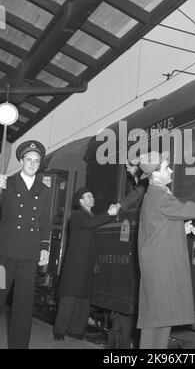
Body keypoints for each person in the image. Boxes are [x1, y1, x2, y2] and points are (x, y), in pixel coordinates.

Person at [135, 151, 195, 349]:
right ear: (155, 174)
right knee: (156, 323)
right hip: (161, 269)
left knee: (160, 320)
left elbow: (158, 227)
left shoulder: (155, 194)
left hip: (158, 266)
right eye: (166, 167)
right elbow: (193, 209)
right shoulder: (160, 196)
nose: (171, 170)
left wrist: (181, 228)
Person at [0, 140, 50, 349]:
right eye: (29, 159)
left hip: (29, 255)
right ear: (21, 161)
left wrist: (45, 248)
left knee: (23, 306)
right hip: (5, 253)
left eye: (36, 161)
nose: (32, 163)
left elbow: (45, 221)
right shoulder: (7, 183)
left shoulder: (44, 189)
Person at [53, 187, 118, 341]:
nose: (92, 197)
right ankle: (60, 331)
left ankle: (76, 329)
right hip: (76, 263)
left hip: (87, 263)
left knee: (83, 297)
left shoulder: (91, 216)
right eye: (88, 196)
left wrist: (110, 213)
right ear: (81, 201)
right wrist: (108, 213)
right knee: (70, 296)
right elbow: (90, 223)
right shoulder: (77, 216)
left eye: (92, 195)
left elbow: (95, 221)